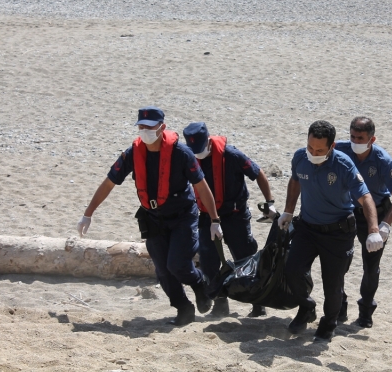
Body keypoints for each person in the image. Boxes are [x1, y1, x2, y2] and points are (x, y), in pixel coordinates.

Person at [76, 107, 219, 326]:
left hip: (182, 216)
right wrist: (88, 213)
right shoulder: (132, 154)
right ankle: (183, 308)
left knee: (177, 264)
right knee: (162, 270)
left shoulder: (182, 154)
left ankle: (199, 284)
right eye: (141, 127)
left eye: (149, 127)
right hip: (153, 217)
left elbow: (201, 186)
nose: (144, 131)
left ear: (162, 127)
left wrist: (214, 220)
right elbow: (108, 183)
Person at [278, 120, 381, 342]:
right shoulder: (300, 157)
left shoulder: (344, 166)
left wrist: (373, 229)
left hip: (338, 233)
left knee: (332, 285)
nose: (313, 153)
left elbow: (366, 198)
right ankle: (306, 307)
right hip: (307, 227)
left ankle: (329, 322)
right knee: (292, 270)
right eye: (310, 148)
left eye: (320, 150)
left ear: (332, 146)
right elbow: (295, 181)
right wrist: (288, 211)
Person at [183, 122, 276, 318]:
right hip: (208, 216)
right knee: (208, 260)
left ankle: (257, 303)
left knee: (245, 257)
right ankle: (220, 303)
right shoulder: (189, 157)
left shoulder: (232, 155)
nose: (197, 154)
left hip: (235, 215)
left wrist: (269, 202)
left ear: (208, 141)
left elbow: (258, 173)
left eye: (200, 150)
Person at [334, 117, 392, 328]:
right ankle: (340, 304)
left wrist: (385, 225)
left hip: (375, 214)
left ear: (371, 139)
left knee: (371, 266)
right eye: (353, 136)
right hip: (347, 211)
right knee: (338, 262)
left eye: (361, 138)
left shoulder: (382, 160)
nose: (355, 141)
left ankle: (366, 310)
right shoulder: (340, 149)